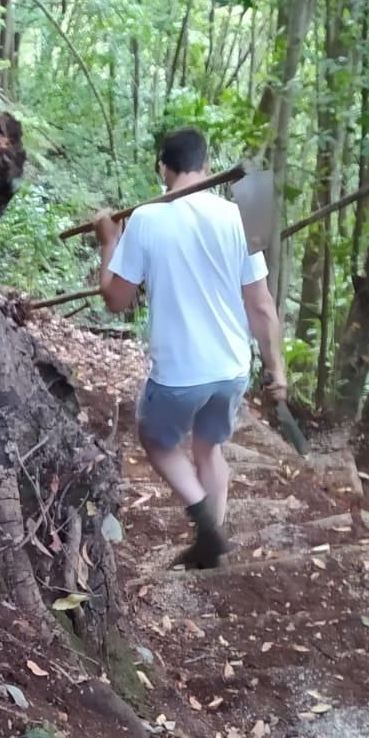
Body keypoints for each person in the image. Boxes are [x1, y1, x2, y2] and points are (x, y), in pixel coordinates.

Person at [92, 127, 289, 568]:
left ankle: (205, 523)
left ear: (164, 167)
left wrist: (109, 242)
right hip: (232, 367)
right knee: (209, 449)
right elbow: (260, 305)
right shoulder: (239, 218)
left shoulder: (146, 218)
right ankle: (210, 547)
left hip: (181, 372)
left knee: (156, 440)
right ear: (206, 164)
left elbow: (115, 300)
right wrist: (277, 369)